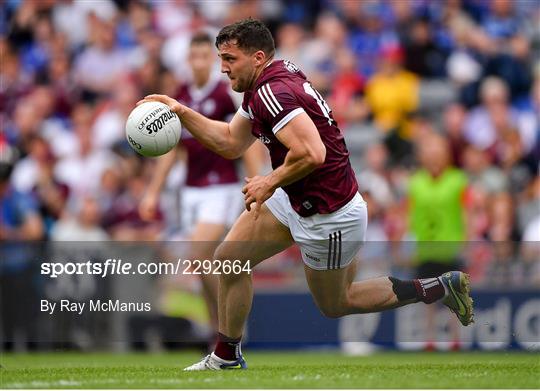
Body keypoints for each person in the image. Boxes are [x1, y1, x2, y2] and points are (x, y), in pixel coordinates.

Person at [138, 18, 474, 371]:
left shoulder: (273, 93)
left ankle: (436, 288)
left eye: (229, 59)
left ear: (257, 57)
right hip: (295, 195)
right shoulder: (264, 83)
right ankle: (226, 355)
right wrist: (181, 111)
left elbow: (314, 153)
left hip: (328, 213)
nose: (222, 67)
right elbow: (231, 142)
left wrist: (269, 182)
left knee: (337, 303)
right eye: (221, 58)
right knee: (229, 260)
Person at [138, 32, 260, 333]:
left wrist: (257, 181)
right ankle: (217, 332)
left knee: (201, 256)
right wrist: (152, 192)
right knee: (206, 265)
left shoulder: (223, 94)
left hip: (222, 187)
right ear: (188, 61)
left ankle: (230, 329)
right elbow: (172, 148)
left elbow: (247, 138)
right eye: (195, 57)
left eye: (206, 56)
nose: (200, 63)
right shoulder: (181, 95)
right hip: (190, 190)